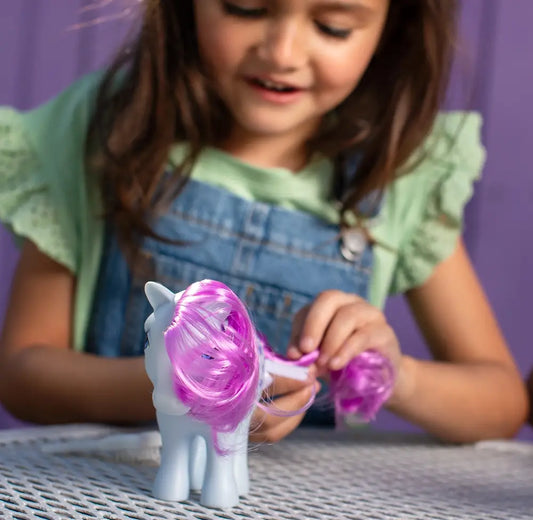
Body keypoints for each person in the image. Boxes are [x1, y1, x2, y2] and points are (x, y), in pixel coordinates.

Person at [0, 0, 527, 444]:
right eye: (245, 8)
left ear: (393, 28)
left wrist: (394, 374)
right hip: (106, 496)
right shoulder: (98, 134)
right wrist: (186, 388)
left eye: (333, 27)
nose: (282, 53)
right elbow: (23, 375)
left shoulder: (401, 176)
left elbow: (502, 404)